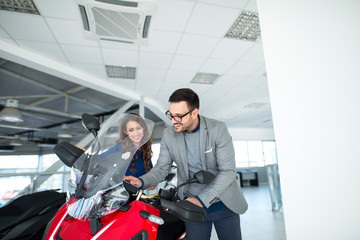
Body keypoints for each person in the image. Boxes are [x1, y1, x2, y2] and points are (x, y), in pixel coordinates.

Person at [124, 88, 248, 240]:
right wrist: (142, 181)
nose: (173, 120)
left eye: (178, 116)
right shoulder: (169, 134)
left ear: (194, 113)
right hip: (191, 207)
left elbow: (228, 171)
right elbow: (162, 168)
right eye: (170, 115)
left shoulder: (217, 129)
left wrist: (201, 199)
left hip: (224, 204)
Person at [117, 113, 153, 178]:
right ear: (126, 132)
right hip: (125, 188)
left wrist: (152, 182)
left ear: (143, 128)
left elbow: (149, 172)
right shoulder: (120, 147)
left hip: (141, 188)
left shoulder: (145, 148)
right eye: (131, 130)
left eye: (138, 128)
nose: (136, 133)